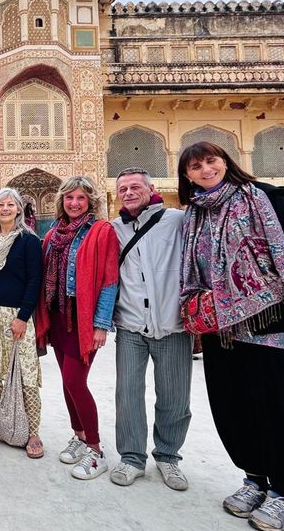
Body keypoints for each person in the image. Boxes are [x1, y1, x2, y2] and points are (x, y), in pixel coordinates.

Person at [179, 141, 284, 530]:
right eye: (196, 166)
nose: (206, 169)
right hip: (219, 325)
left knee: (274, 404)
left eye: (211, 161)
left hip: (266, 320)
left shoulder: (265, 198)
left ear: (226, 161)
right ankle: (255, 479)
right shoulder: (194, 214)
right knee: (234, 404)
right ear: (187, 174)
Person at [110, 168, 192, 491]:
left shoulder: (176, 220)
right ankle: (131, 457)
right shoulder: (114, 229)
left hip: (171, 323)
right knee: (128, 393)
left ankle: (168, 456)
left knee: (174, 396)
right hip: (131, 323)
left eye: (135, 187)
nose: (129, 193)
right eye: (123, 189)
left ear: (150, 188)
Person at [35, 175, 119, 480]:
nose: (74, 203)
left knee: (75, 380)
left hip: (81, 318)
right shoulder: (53, 233)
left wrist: (101, 324)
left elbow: (110, 280)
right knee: (67, 381)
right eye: (69, 198)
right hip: (57, 315)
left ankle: (96, 450)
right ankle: (79, 434)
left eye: (81, 198)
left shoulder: (101, 231)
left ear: (90, 201)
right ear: (61, 201)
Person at [0, 188, 43, 456]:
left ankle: (33, 431)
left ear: (19, 209)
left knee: (26, 374)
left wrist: (23, 317)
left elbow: (34, 281)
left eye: (10, 204)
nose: (5, 209)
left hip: (18, 317)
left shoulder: (29, 240)